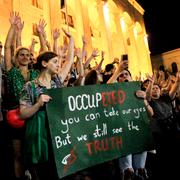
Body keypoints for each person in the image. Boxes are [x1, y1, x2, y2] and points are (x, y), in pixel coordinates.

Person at [19, 30, 74, 179]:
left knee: (56, 168)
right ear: (44, 63)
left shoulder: (57, 81)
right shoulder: (29, 86)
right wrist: (38, 104)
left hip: (57, 131)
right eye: (55, 62)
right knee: (41, 171)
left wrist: (72, 40)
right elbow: (22, 114)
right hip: (38, 135)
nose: (59, 65)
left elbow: (69, 61)